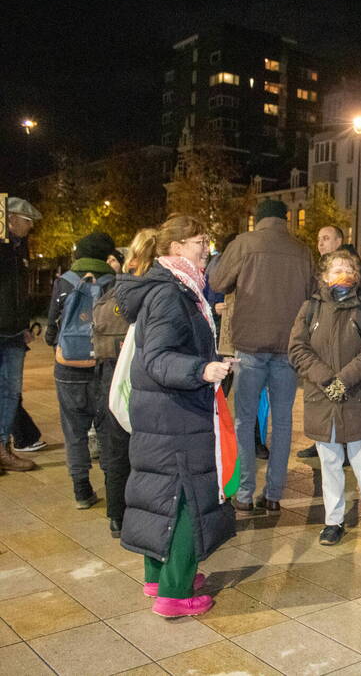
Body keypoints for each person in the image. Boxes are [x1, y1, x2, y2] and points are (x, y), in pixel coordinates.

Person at [116, 213, 235, 618]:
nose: (207, 249)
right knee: (184, 497)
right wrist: (202, 370)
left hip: (162, 412)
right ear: (176, 248)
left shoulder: (176, 287)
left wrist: (212, 360)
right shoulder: (172, 292)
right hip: (176, 411)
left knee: (158, 493)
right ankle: (176, 595)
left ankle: (159, 577)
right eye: (200, 241)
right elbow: (159, 358)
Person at [210, 199, 315, 512]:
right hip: (288, 347)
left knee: (244, 420)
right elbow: (312, 294)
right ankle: (273, 495)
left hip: (250, 348)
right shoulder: (302, 250)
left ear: (257, 220)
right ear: (285, 220)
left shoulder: (244, 243)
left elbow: (218, 282)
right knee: (282, 421)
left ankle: (243, 494)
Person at [289, 249, 361, 545]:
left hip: (358, 399)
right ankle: (333, 521)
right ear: (324, 276)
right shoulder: (310, 308)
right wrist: (326, 379)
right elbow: (297, 349)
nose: (342, 274)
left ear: (357, 276)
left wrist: (343, 381)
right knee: (329, 467)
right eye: (336, 269)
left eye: (348, 269)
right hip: (322, 401)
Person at [46, 231, 120, 506]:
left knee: (74, 432)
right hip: (103, 367)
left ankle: (81, 491)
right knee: (106, 433)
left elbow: (52, 326)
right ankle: (114, 493)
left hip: (68, 370)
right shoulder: (113, 282)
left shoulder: (64, 281)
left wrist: (56, 344)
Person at [92, 228, 158, 538]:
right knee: (146, 444)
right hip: (142, 371)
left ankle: (116, 515)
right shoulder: (155, 285)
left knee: (116, 443)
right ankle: (142, 510)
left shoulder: (119, 283)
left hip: (110, 370)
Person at [297, 224, 351, 460]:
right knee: (322, 392)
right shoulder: (321, 268)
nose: (320, 243)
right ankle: (322, 439)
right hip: (322, 341)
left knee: (339, 392)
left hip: (341, 344)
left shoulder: (346, 267)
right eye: (319, 238)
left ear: (339, 241)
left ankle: (345, 443)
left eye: (326, 238)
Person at [0, 198, 42, 474]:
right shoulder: (5, 249)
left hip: (14, 332)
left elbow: (19, 293)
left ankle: (3, 447)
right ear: (10, 219)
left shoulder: (19, 250)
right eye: (27, 221)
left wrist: (25, 323)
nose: (30, 227)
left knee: (10, 392)